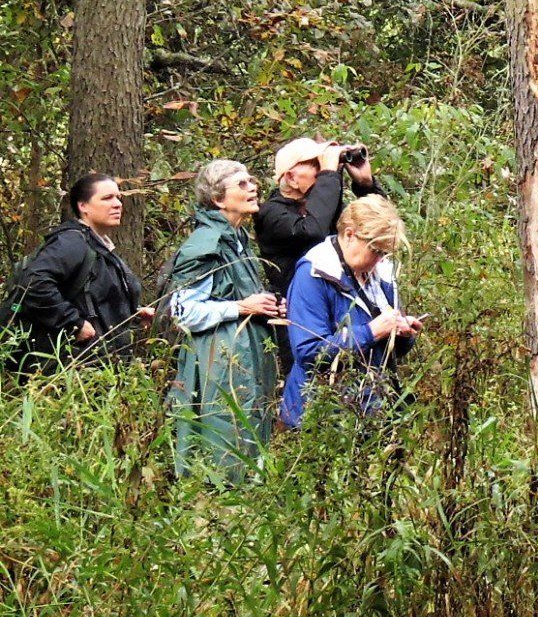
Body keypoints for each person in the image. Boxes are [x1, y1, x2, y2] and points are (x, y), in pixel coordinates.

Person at [168, 159, 282, 484]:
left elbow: (236, 296)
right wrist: (241, 307)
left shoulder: (236, 238)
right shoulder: (206, 243)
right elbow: (183, 310)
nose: (253, 187)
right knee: (221, 446)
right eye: (242, 184)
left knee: (248, 441)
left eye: (252, 181)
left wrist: (266, 305)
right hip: (217, 364)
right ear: (219, 199)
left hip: (244, 358)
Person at [279, 195, 420, 429]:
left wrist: (402, 334)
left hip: (371, 410)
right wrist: (372, 331)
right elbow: (309, 352)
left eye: (384, 253)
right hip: (321, 416)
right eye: (375, 250)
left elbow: (388, 354)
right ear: (350, 234)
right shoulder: (314, 274)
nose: (379, 260)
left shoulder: (381, 275)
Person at [257, 137, 382, 375]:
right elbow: (313, 231)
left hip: (341, 315)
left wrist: (365, 185)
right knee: (310, 385)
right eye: (316, 164)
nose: (325, 168)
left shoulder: (319, 206)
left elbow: (379, 229)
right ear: (291, 177)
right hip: (303, 324)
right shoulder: (271, 213)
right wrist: (329, 175)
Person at [9, 173, 153, 370]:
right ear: (83, 206)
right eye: (107, 198)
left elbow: (92, 299)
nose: (117, 204)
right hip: (68, 369)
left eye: (118, 198)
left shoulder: (97, 246)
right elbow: (34, 282)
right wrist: (73, 323)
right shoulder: (72, 242)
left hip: (97, 370)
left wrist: (131, 314)